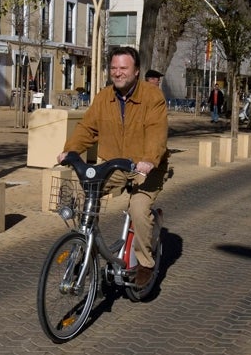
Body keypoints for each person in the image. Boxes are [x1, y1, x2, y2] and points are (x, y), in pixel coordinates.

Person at [57, 46, 168, 288]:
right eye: (114, 68)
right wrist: (71, 150)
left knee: (138, 210)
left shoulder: (152, 97)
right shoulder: (103, 97)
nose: (118, 73)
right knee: (90, 194)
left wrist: (149, 159)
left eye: (124, 68)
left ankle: (146, 262)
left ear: (136, 71)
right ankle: (88, 249)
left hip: (145, 168)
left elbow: (156, 134)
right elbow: (87, 128)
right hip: (113, 165)